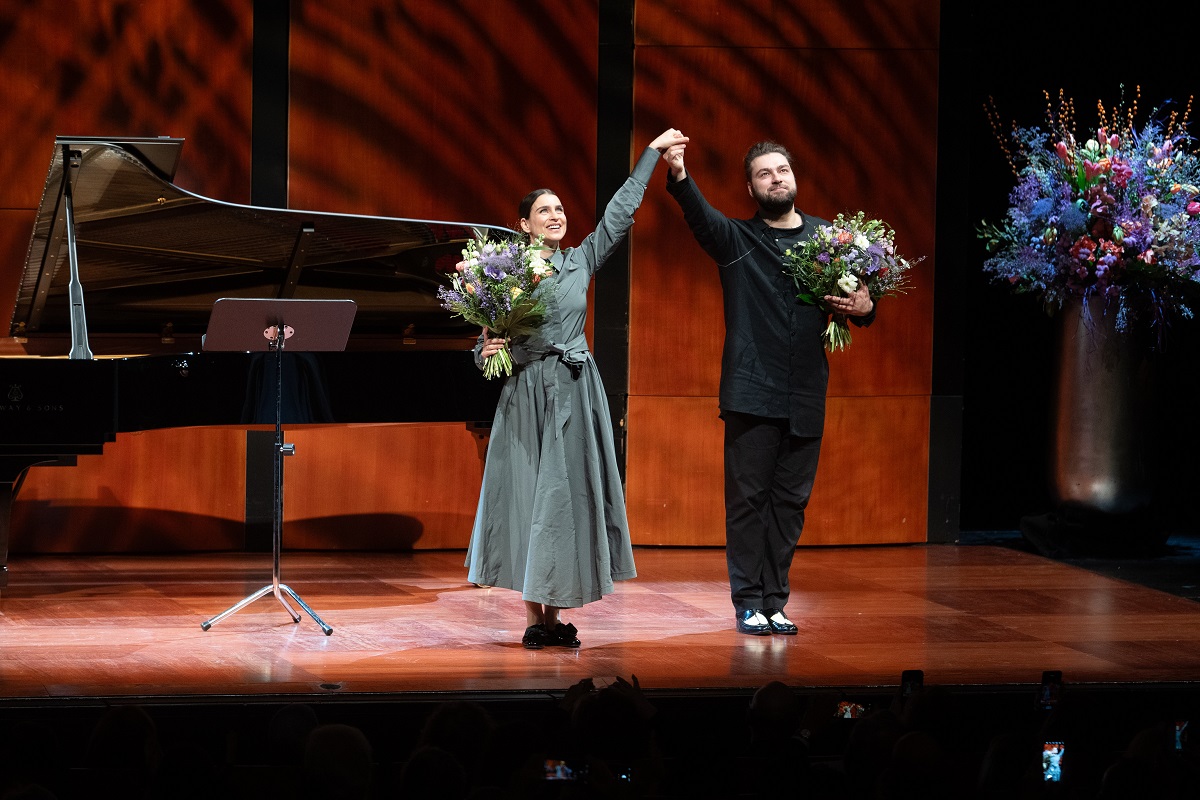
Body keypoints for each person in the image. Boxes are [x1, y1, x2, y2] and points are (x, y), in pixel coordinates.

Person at [466, 127, 690, 649]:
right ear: (523, 225)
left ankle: (558, 614)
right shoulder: (503, 273)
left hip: (572, 390)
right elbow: (484, 346)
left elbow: (619, 215)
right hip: (525, 395)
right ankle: (533, 619)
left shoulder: (579, 261)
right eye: (544, 210)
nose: (556, 215)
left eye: (560, 209)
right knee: (528, 501)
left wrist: (651, 157)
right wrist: (487, 350)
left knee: (564, 503)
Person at [660, 139, 875, 635]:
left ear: (794, 178)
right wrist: (678, 172)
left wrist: (866, 307)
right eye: (764, 174)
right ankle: (748, 603)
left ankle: (776, 600)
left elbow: (862, 299)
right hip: (752, 391)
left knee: (790, 505)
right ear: (751, 187)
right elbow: (701, 217)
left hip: (806, 391)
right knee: (748, 503)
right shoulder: (737, 240)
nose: (776, 178)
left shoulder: (830, 239)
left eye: (782, 170)